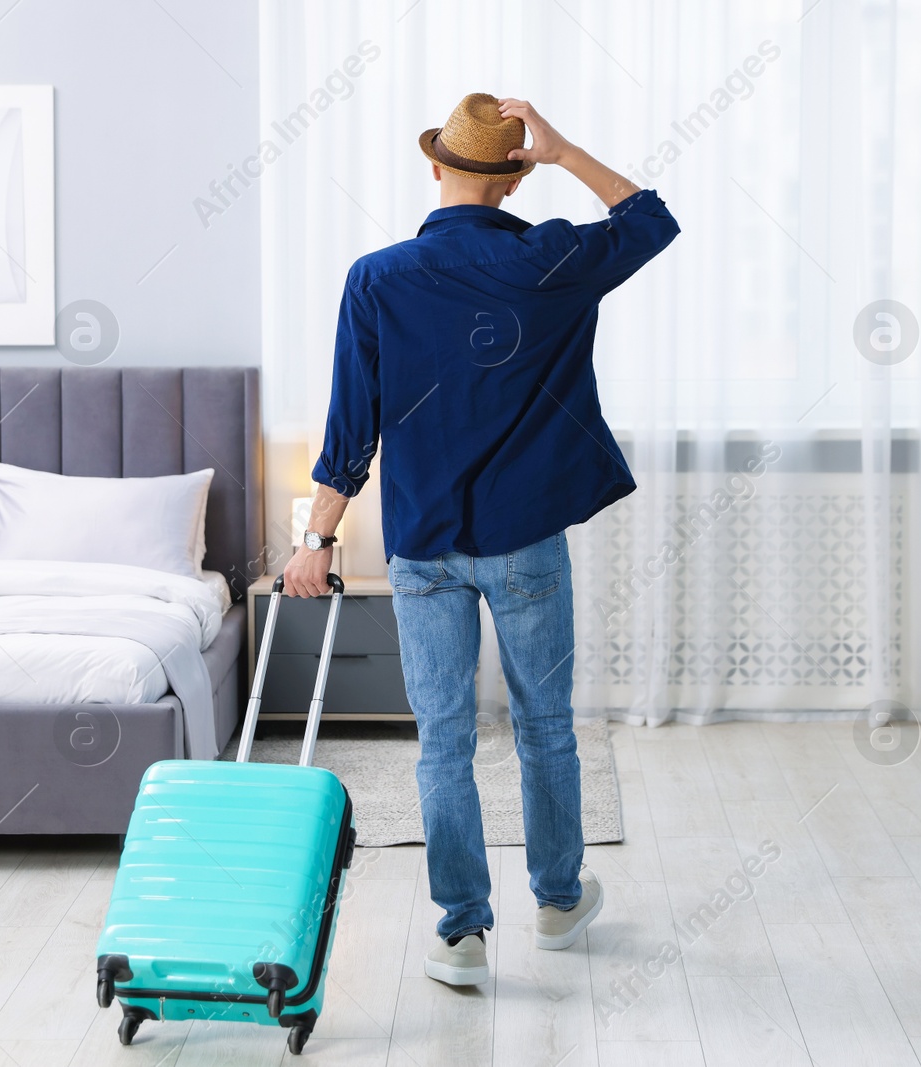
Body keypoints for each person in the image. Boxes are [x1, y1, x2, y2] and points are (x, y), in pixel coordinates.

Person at [282, 93, 678, 986]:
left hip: (422, 546)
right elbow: (650, 218)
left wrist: (316, 539)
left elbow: (352, 430)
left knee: (443, 741)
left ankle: (461, 931)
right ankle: (558, 900)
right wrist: (568, 149)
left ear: (434, 168)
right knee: (546, 728)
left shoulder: (377, 277)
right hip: (527, 540)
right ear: (515, 173)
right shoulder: (554, 259)